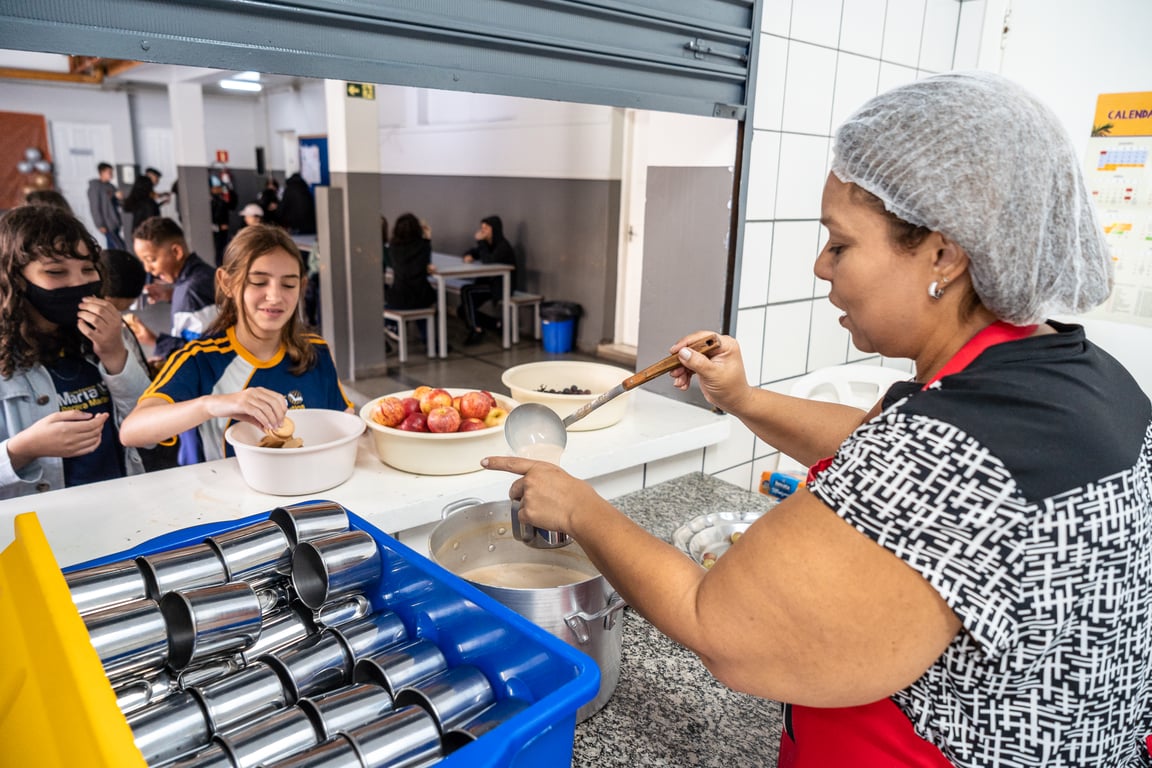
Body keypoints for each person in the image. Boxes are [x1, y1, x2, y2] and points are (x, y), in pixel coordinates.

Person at [483, 72, 1152, 767]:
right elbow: (884, 449)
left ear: (944, 255)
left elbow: (724, 627)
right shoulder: (1079, 380)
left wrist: (582, 509)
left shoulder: (949, 450)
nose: (820, 265)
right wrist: (742, 398)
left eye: (841, 243)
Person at [119, 224, 353, 464]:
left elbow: (342, 420)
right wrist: (212, 405)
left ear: (301, 286)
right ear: (227, 283)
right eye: (259, 282)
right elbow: (132, 431)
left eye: (288, 284)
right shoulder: (201, 359)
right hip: (228, 498)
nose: (275, 296)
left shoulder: (316, 350)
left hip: (314, 490)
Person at [0, 205, 150, 498]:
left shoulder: (106, 333)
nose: (78, 283)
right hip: (42, 525)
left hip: (123, 505)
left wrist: (115, 354)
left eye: (87, 269)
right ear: (15, 279)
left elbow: (150, 435)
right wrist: (23, 449)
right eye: (56, 272)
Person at [128, 217, 218, 365]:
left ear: (176, 252)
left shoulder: (190, 292)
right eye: (143, 262)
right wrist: (171, 295)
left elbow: (203, 354)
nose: (147, 269)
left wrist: (155, 342)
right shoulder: (201, 275)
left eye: (151, 259)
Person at [459, 214, 514, 345]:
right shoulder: (487, 244)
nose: (483, 231)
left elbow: (489, 262)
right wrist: (469, 255)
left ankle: (476, 329)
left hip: (502, 286)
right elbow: (474, 252)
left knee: (467, 290)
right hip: (488, 284)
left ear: (494, 229)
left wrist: (480, 242)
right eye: (482, 227)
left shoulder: (502, 246)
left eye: (486, 228)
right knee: (462, 310)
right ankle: (496, 324)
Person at [385, 212, 436, 311]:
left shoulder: (393, 247)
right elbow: (426, 264)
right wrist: (428, 238)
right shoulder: (423, 246)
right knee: (430, 297)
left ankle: (393, 325)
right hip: (421, 298)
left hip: (398, 297)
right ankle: (425, 326)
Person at [87, 162, 124, 249]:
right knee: (120, 247)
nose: (111, 174)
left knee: (112, 248)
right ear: (102, 172)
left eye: (112, 172)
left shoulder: (111, 187)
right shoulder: (95, 187)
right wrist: (100, 224)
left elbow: (117, 204)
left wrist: (119, 198)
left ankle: (111, 262)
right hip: (106, 224)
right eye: (109, 172)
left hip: (115, 222)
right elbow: (95, 207)